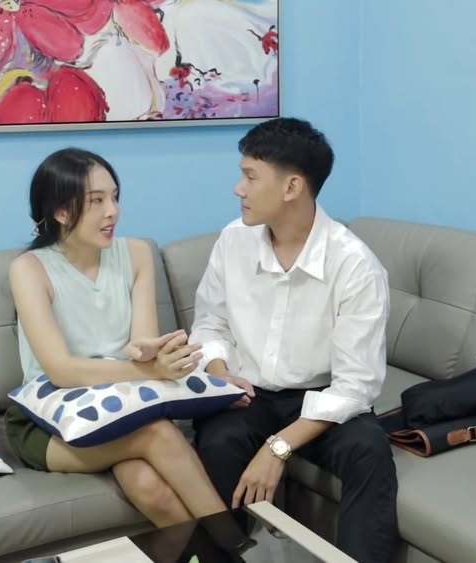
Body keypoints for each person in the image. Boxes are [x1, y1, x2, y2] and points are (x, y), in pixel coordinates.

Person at [190, 117, 399, 563]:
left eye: (250, 177)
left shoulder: (356, 266)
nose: (238, 189)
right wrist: (220, 373)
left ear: (292, 187)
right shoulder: (233, 240)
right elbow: (210, 324)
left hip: (321, 401)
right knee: (218, 444)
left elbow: (356, 386)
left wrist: (278, 447)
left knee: (369, 451)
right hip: (248, 393)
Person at [5, 147, 240, 530]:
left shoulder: (136, 253)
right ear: (61, 211)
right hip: (49, 421)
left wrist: (153, 355)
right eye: (96, 201)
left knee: (148, 487)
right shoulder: (29, 269)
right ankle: (234, 545)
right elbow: (62, 371)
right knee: (158, 435)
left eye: (114, 197)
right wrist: (150, 371)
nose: (112, 211)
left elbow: (140, 346)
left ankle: (212, 552)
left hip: (122, 407)